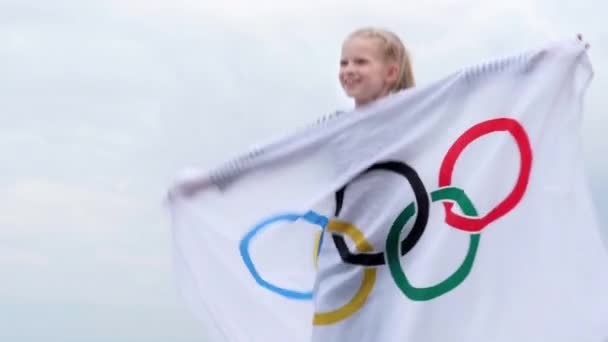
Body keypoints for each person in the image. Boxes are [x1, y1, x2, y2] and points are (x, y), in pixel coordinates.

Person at [338, 27, 416, 108]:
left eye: (361, 62)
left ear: (390, 73)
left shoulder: (403, 118)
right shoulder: (336, 119)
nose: (349, 70)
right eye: (344, 63)